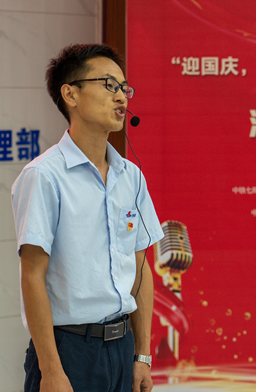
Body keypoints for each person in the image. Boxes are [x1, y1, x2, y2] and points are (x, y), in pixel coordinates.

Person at [12, 43, 164, 392]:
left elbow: (140, 268)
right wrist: (51, 370)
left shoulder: (131, 176)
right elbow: (32, 276)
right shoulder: (44, 176)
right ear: (71, 94)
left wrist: (142, 355)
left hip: (122, 346)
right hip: (69, 350)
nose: (121, 97)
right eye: (109, 85)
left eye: (124, 87)